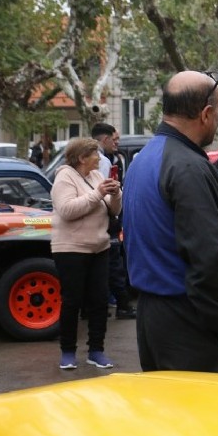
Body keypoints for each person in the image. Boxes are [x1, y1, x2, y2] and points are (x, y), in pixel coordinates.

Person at [122, 70, 218, 373]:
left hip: (156, 315)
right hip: (191, 320)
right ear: (206, 113)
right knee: (204, 416)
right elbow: (207, 256)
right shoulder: (187, 167)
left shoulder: (146, 158)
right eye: (217, 113)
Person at [51, 137, 122, 370]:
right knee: (72, 301)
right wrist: (98, 194)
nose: (98, 159)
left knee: (100, 301)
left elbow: (113, 210)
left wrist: (115, 194)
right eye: (94, 154)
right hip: (71, 249)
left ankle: (96, 350)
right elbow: (67, 210)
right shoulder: (64, 177)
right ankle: (68, 352)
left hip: (99, 247)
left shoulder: (97, 177)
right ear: (81, 158)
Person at [90, 122, 136, 320]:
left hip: (93, 221)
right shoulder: (101, 161)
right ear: (105, 139)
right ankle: (123, 305)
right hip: (105, 220)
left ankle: (91, 307)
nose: (116, 144)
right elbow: (105, 192)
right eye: (114, 140)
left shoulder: (94, 159)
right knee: (113, 265)